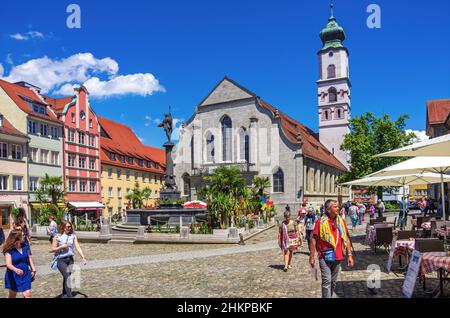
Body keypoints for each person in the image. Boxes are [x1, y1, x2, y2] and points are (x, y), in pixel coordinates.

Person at [309, 199, 354, 298]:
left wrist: (349, 255)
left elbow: (346, 238)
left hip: (338, 256)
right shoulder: (320, 222)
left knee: (333, 282)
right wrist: (311, 256)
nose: (338, 208)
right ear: (328, 210)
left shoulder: (341, 221)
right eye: (335, 207)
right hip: (324, 256)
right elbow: (313, 239)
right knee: (326, 281)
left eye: (338, 206)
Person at [52, 221, 87, 298]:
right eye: (68, 227)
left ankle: (64, 294)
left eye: (70, 226)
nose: (69, 228)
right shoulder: (57, 236)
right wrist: (61, 247)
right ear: (63, 227)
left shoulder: (73, 236)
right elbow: (53, 249)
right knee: (68, 277)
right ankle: (69, 296)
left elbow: (77, 247)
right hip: (61, 260)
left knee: (66, 277)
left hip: (70, 260)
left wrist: (83, 257)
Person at [3, 229, 36, 298]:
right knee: (13, 294)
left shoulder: (25, 245)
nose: (24, 236)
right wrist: (15, 270)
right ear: (17, 238)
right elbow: (8, 264)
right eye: (23, 235)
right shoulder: (9, 249)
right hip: (13, 275)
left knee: (27, 294)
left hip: (25, 273)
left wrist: (33, 269)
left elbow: (29, 258)